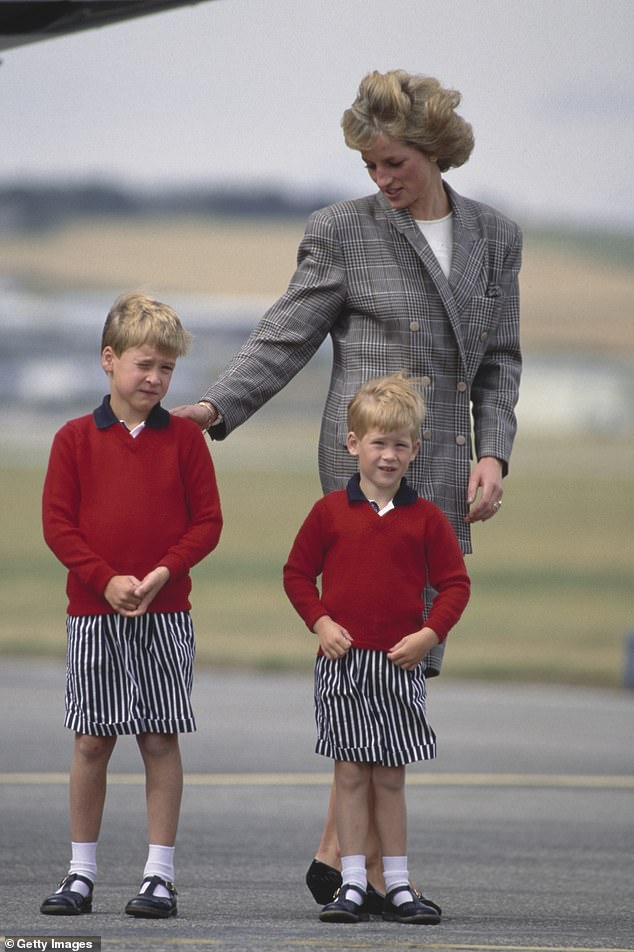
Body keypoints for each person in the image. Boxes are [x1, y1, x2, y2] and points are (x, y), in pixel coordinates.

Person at [173, 68, 521, 902]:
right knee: (368, 666)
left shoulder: (497, 237)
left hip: (442, 475)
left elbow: (502, 361)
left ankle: (338, 859)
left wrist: (495, 452)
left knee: (398, 676)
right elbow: (285, 335)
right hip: (365, 477)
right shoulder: (342, 232)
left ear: (434, 151)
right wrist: (218, 405)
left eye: (394, 162)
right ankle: (364, 875)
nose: (381, 179)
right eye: (369, 165)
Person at [40, 292, 223, 920]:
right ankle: (80, 873)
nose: (155, 379)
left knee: (158, 738)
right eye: (144, 365)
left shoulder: (187, 442)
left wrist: (164, 572)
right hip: (93, 617)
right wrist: (105, 581)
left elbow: (207, 525)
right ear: (108, 360)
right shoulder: (71, 440)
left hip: (167, 616)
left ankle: (159, 877)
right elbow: (58, 527)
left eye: (167, 369)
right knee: (92, 742)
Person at [283, 374, 470, 924]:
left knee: (389, 775)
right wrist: (319, 622)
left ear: (416, 448)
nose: (388, 456)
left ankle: (399, 883)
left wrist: (429, 635)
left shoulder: (427, 519)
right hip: (343, 665)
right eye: (378, 443)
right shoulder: (328, 514)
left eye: (400, 445)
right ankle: (351, 883)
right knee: (349, 775)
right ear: (353, 444)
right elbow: (297, 574)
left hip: (397, 664)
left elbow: (455, 584)